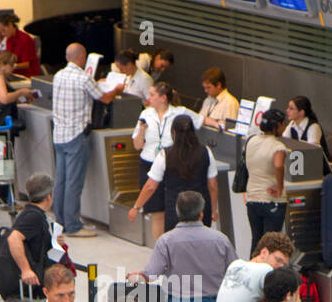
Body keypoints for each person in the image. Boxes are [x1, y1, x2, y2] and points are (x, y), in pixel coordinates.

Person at [50, 42, 124, 237]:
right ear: (82, 58)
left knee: (61, 181)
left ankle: (60, 222)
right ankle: (73, 226)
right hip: (76, 135)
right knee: (74, 183)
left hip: (59, 135)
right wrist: (117, 89)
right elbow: (105, 98)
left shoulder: (58, 75)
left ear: (67, 58)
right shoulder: (83, 78)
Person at [132, 113, 220, 232]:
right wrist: (213, 210)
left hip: (175, 210)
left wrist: (136, 207)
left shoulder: (165, 155)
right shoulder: (206, 152)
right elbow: (213, 185)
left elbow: (150, 186)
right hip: (201, 209)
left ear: (173, 132)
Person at [131, 81, 194, 241]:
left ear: (163, 98)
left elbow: (200, 120)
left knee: (173, 209)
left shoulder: (178, 112)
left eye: (152, 94)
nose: (149, 97)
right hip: (149, 162)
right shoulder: (145, 115)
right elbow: (137, 145)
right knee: (156, 212)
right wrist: (142, 131)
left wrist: (217, 123)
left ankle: (174, 245)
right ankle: (160, 248)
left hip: (171, 163)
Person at [0, 172, 57, 299]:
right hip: (32, 286)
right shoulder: (33, 216)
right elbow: (14, 238)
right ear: (48, 196)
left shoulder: (33, 213)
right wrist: (26, 270)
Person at [243, 109, 289, 254]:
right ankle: (267, 275)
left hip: (252, 198)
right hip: (271, 200)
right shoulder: (278, 146)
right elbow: (278, 165)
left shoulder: (251, 141)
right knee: (271, 244)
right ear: (279, 125)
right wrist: (280, 186)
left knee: (256, 241)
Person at [0, 51, 38, 116]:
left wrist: (24, 98)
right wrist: (21, 92)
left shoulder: (1, 77)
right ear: (2, 64)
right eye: (11, 65)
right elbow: (4, 99)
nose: (13, 68)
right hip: (0, 118)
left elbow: (11, 100)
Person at [0, 12, 40, 78]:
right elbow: (9, 58)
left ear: (10, 25)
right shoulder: (9, 40)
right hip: (14, 73)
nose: (2, 34)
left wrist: (13, 66)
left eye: (3, 30)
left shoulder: (25, 39)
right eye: (1, 31)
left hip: (28, 75)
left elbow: (26, 64)